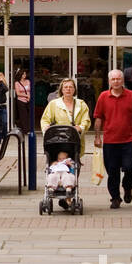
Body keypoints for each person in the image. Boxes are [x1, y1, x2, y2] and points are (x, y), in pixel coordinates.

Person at [93, 69, 132, 209]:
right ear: (109, 81)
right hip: (110, 141)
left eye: (118, 79)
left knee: (130, 167)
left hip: (128, 140)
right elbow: (98, 118)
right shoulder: (103, 96)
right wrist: (97, 137)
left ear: (123, 80)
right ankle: (115, 197)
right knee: (112, 171)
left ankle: (128, 188)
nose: (116, 81)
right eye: (113, 79)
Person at [41, 77, 91, 212]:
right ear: (61, 90)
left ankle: (68, 195)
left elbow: (86, 120)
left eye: (71, 87)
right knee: (56, 165)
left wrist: (81, 127)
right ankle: (59, 191)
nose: (68, 89)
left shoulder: (81, 104)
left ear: (74, 89)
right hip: (58, 142)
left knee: (74, 166)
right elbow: (45, 119)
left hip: (74, 141)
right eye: (65, 87)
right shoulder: (54, 104)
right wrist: (46, 129)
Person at [13, 67, 31, 134]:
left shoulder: (28, 81)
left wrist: (30, 97)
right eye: (23, 74)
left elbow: (31, 90)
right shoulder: (17, 83)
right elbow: (18, 93)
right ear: (20, 75)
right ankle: (25, 130)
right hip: (21, 101)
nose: (24, 75)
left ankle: (30, 128)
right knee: (23, 116)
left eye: (25, 74)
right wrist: (26, 96)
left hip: (29, 100)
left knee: (29, 115)